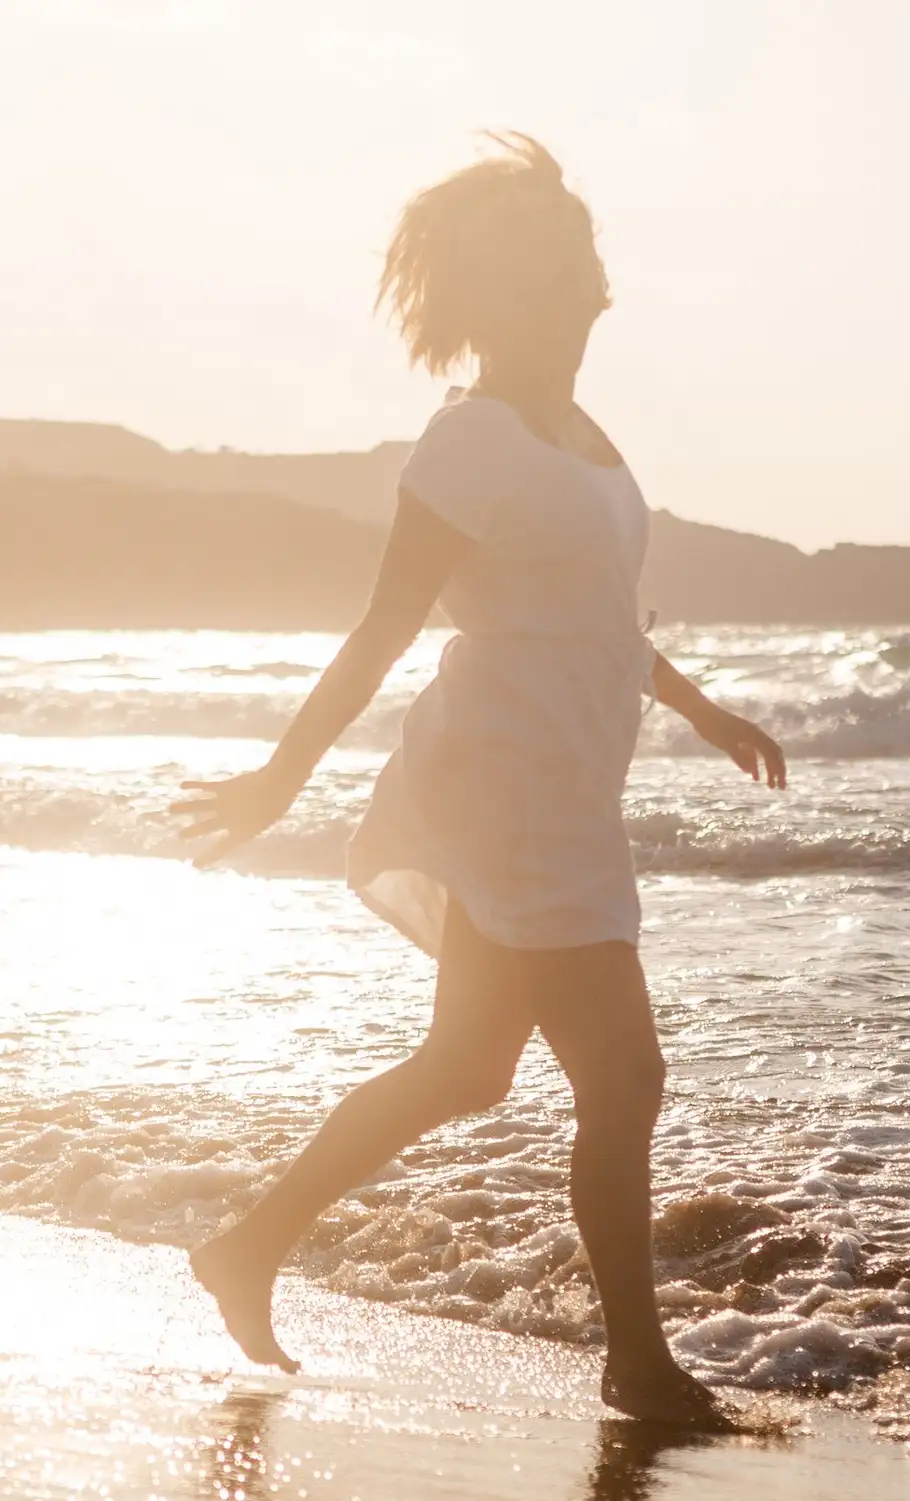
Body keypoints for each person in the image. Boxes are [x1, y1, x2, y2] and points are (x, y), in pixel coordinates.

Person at [174, 136, 786, 1427]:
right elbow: (383, 626)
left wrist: (706, 710)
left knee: (467, 1068)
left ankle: (248, 1243)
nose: (593, 280)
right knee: (625, 1077)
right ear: (520, 290)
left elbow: (603, 621)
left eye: (590, 258)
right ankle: (638, 1363)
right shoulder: (472, 439)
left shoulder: (582, 436)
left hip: (569, 791)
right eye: (568, 262)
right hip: (504, 789)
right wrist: (282, 778)